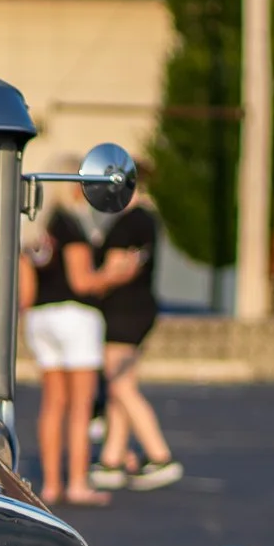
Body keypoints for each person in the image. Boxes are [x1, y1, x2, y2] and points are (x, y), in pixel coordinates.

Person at [25, 166, 142, 507]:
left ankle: (49, 484)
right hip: (75, 317)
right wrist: (117, 275)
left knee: (53, 403)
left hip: (41, 318)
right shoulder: (72, 228)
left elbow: (26, 290)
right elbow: (82, 282)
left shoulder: (39, 230)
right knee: (80, 406)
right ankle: (76, 482)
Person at [86, 170, 182, 492]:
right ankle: (112, 460)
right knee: (121, 384)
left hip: (124, 312)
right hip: (135, 310)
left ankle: (160, 456)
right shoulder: (145, 220)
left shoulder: (130, 222)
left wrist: (84, 286)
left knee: (119, 384)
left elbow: (117, 269)